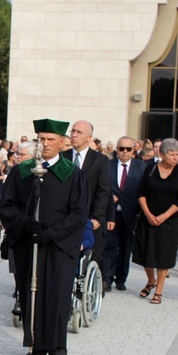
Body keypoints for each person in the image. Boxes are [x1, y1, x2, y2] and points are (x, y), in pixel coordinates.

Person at [0, 118, 88, 355]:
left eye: (51, 140)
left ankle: (57, 349)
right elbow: (7, 205)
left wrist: (52, 233)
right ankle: (36, 345)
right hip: (29, 244)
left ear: (63, 142)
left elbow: (78, 213)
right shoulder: (23, 171)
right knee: (30, 293)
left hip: (59, 247)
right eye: (42, 139)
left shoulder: (72, 174)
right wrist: (25, 224)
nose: (45, 144)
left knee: (57, 297)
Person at [132, 138, 178, 304]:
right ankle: (150, 281)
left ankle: (159, 290)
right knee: (146, 253)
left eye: (177, 154)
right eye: (172, 154)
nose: (175, 158)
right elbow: (141, 193)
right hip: (149, 218)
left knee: (164, 256)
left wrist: (164, 216)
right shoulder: (151, 168)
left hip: (169, 221)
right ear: (161, 154)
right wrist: (148, 214)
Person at [62, 120, 110, 280]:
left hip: (90, 219)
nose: (74, 135)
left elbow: (103, 191)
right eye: (73, 131)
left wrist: (96, 217)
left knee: (91, 258)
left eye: (79, 132)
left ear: (89, 137)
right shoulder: (62, 158)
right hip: (65, 218)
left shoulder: (100, 160)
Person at [103, 136, 146, 291]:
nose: (125, 152)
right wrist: (109, 197)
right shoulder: (107, 165)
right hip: (111, 214)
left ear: (133, 150)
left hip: (130, 214)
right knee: (109, 247)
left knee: (125, 248)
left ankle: (121, 278)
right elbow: (101, 186)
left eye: (128, 149)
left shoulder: (140, 167)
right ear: (117, 150)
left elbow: (143, 191)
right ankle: (107, 278)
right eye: (122, 149)